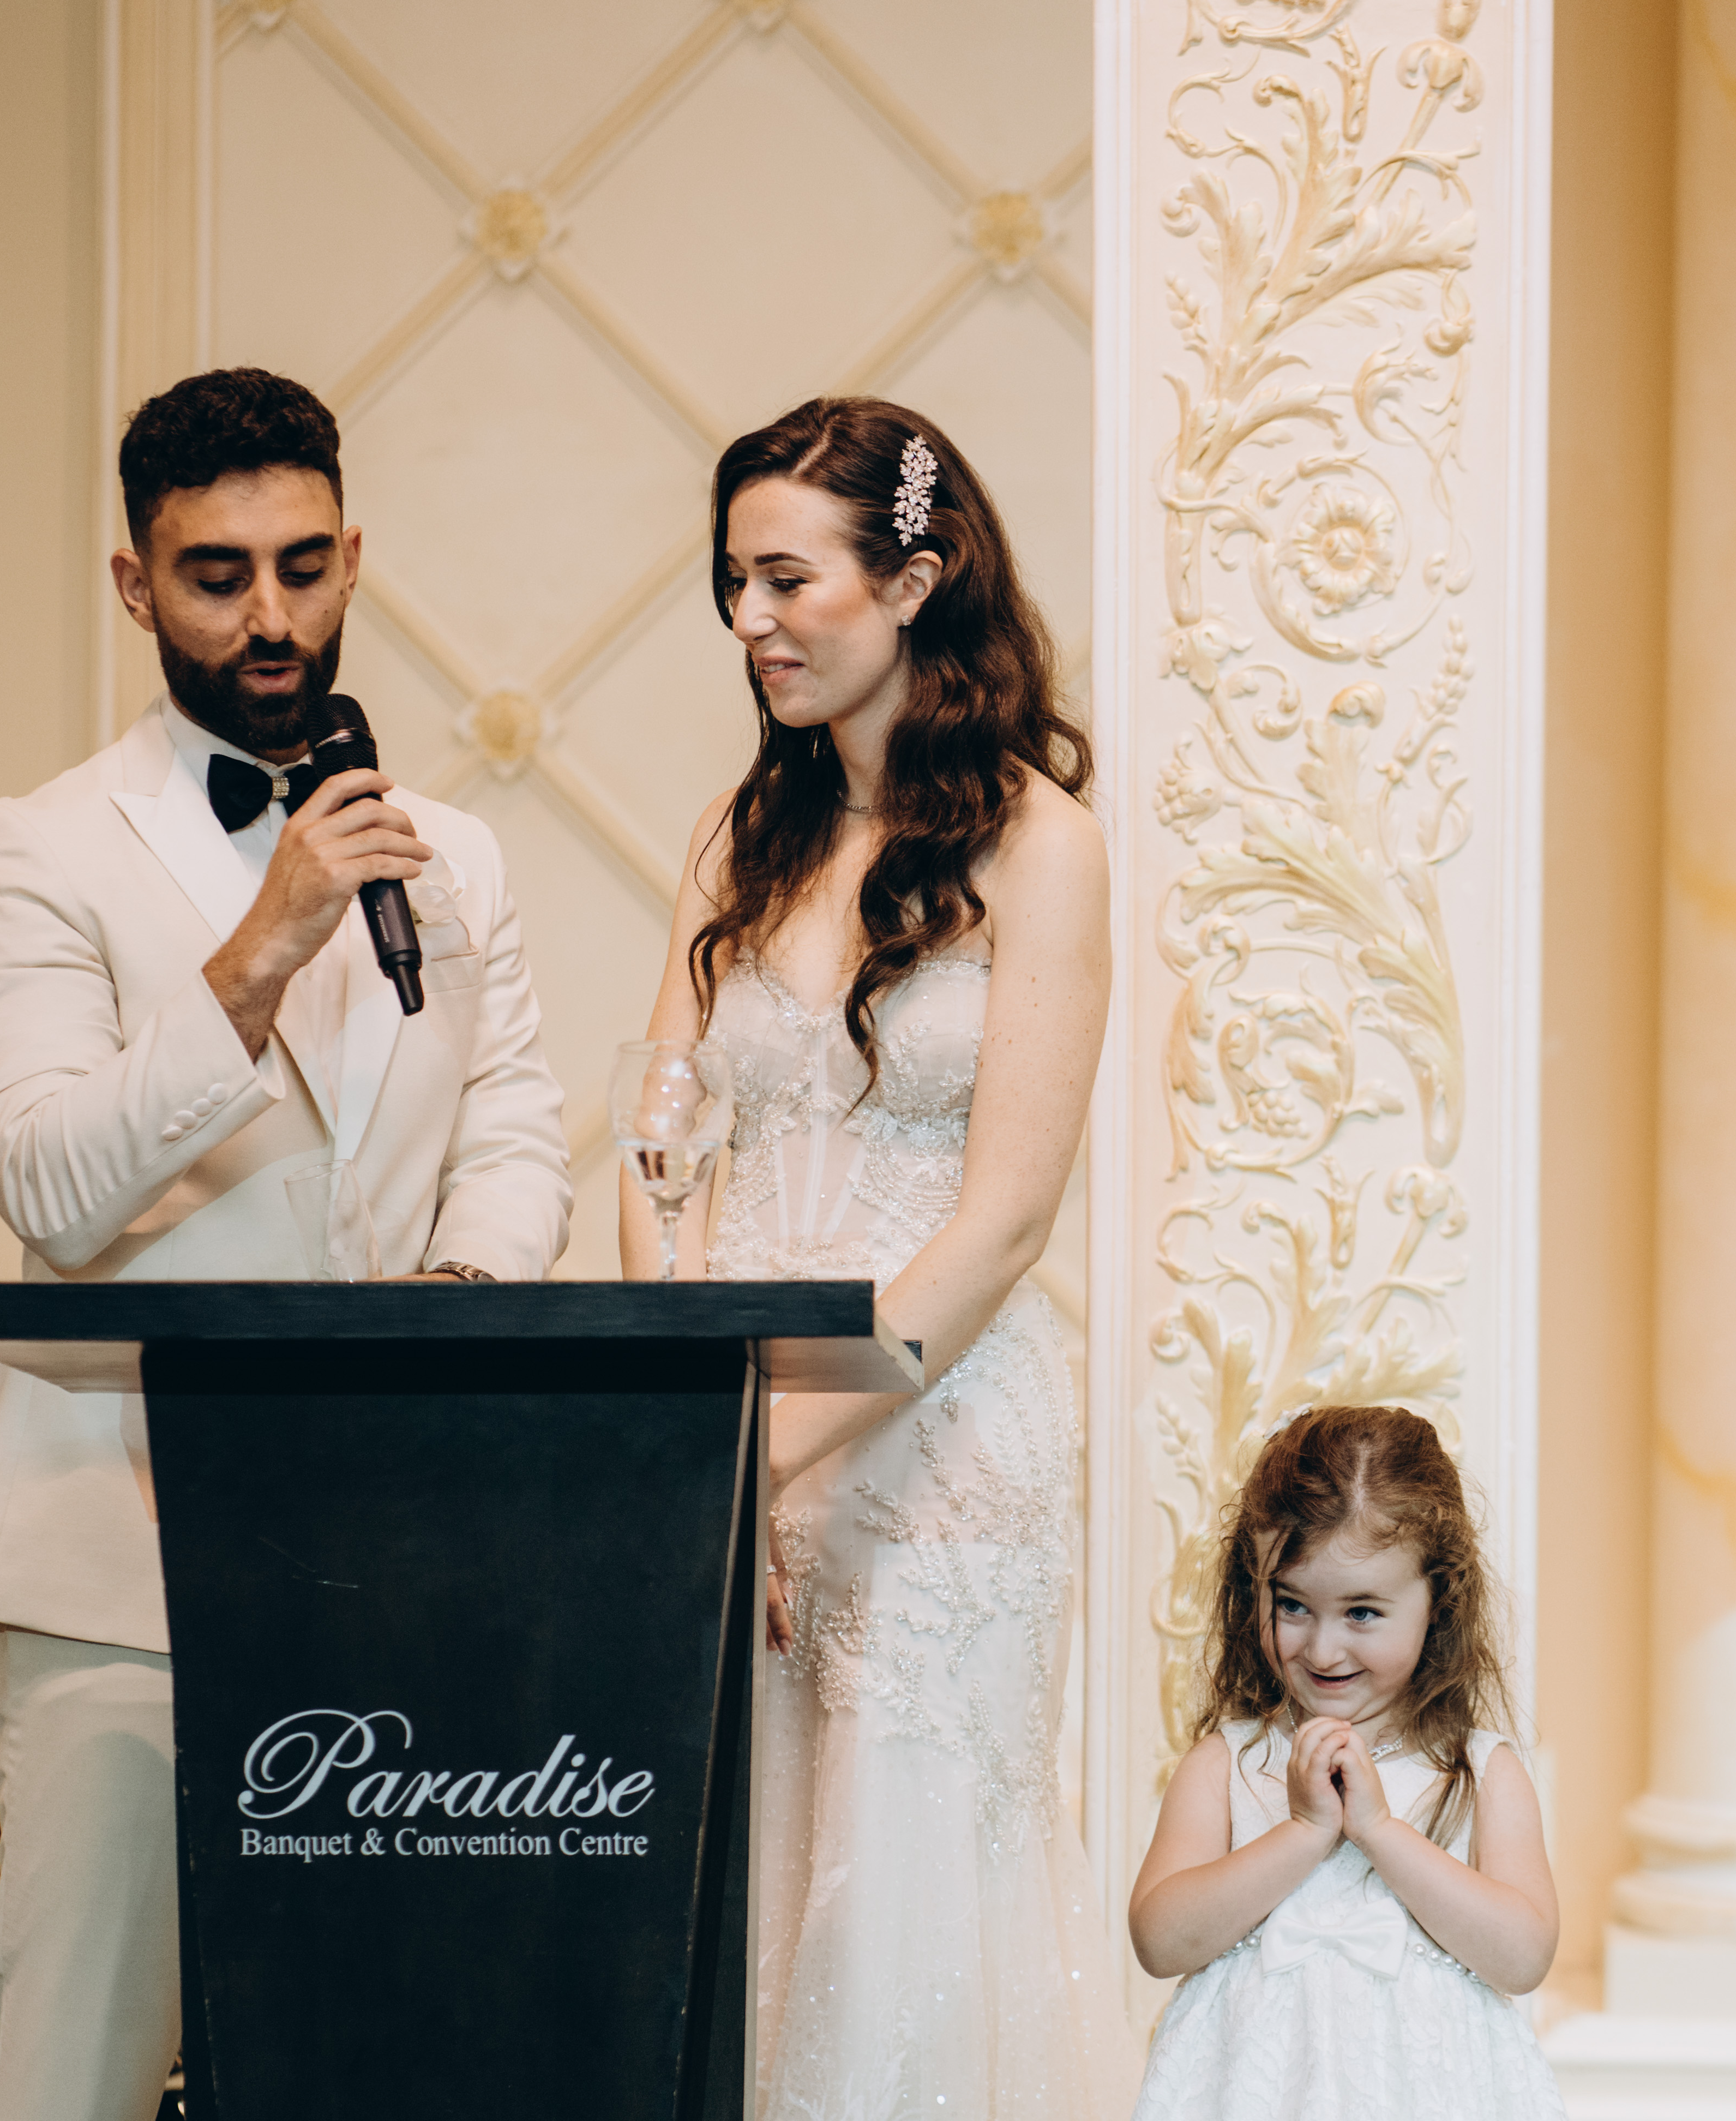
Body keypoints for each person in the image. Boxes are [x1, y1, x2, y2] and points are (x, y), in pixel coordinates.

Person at [0, 366, 570, 2121]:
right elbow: (48, 1182)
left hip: (405, 1556)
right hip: (119, 1573)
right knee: (73, 2076)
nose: (272, 618)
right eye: (218, 576)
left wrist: (455, 1308)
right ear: (135, 584)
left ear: (353, 556)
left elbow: (512, 1133)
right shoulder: (32, 852)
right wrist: (257, 953)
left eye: (303, 567)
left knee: (379, 2063)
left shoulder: (453, 856)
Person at [634, 396, 1132, 2118]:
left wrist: (766, 1450)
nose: (748, 619)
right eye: (733, 582)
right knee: (743, 1881)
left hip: (935, 1447)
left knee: (895, 1896)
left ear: (913, 581)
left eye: (786, 580)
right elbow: (653, 1137)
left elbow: (1002, 1224)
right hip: (734, 1433)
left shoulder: (1042, 850)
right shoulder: (739, 836)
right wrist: (695, 1424)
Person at [1127, 1404, 1568, 2120]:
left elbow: (1522, 1959)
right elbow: (1159, 1941)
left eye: (1362, 1613)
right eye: (1292, 1606)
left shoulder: (1483, 1772)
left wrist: (1379, 1830)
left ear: (1439, 1601)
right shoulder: (1227, 1764)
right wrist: (1304, 1832)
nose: (1323, 1649)